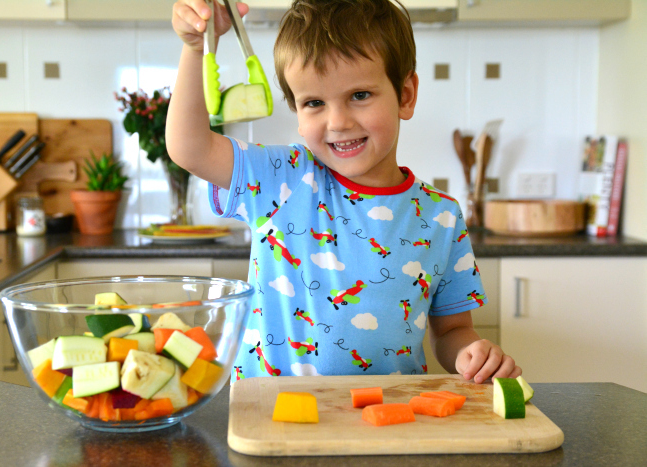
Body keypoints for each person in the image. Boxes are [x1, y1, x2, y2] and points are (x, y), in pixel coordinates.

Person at [167, 0, 521, 383]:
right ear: (297, 114)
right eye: (314, 103)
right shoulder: (279, 179)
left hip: (385, 422)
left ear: (405, 95)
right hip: (270, 419)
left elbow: (452, 332)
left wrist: (473, 354)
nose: (338, 121)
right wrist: (195, 48)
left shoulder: (442, 216)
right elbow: (188, 147)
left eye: (359, 95)